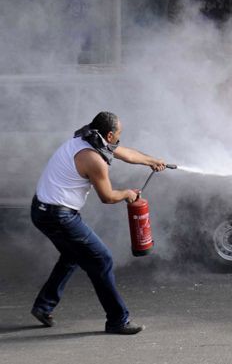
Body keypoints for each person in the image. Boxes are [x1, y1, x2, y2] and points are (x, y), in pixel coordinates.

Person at [30, 111, 166, 335]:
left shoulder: (86, 138)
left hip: (42, 210)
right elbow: (108, 197)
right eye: (119, 135)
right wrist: (127, 194)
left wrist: (152, 161)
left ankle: (43, 306)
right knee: (102, 260)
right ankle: (117, 320)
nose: (119, 140)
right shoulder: (93, 159)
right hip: (58, 216)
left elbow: (127, 154)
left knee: (72, 255)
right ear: (110, 135)